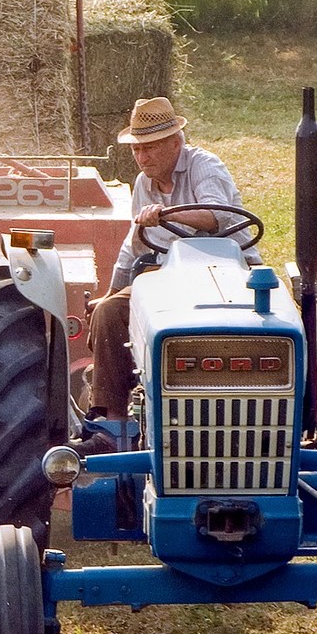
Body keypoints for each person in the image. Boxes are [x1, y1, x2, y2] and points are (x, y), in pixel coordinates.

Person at [79, 96, 263, 452]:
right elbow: (131, 247)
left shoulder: (204, 166)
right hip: (168, 279)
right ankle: (113, 427)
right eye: (136, 149)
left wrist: (167, 214)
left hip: (229, 273)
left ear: (176, 142)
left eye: (150, 148)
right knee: (108, 312)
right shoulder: (142, 185)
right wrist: (110, 291)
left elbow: (217, 216)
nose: (142, 157)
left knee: (277, 326)